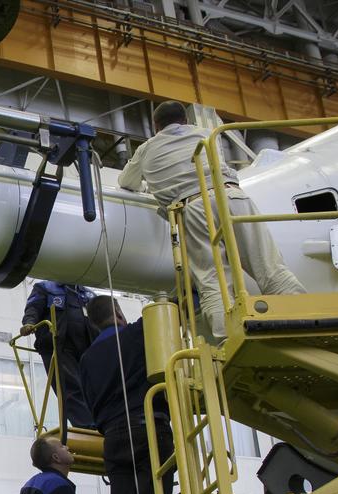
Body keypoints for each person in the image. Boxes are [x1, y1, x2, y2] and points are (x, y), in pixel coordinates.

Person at [117, 100, 305, 339]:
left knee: (213, 280)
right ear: (185, 119)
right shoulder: (207, 134)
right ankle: (302, 315)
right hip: (232, 195)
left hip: (194, 207)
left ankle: (228, 337)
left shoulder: (146, 149)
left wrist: (148, 186)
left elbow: (126, 181)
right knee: (269, 266)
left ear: (155, 126)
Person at [77, 296, 175, 494]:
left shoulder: (87, 360)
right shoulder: (137, 333)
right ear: (119, 313)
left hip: (113, 439)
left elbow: (89, 406)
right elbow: (178, 305)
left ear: (92, 324)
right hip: (149, 429)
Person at [20, 280, 97, 430]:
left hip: (87, 347)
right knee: (69, 385)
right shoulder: (45, 288)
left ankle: (98, 422)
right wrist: (29, 322)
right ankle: (86, 425)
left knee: (91, 387)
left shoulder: (88, 294)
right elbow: (33, 307)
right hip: (58, 345)